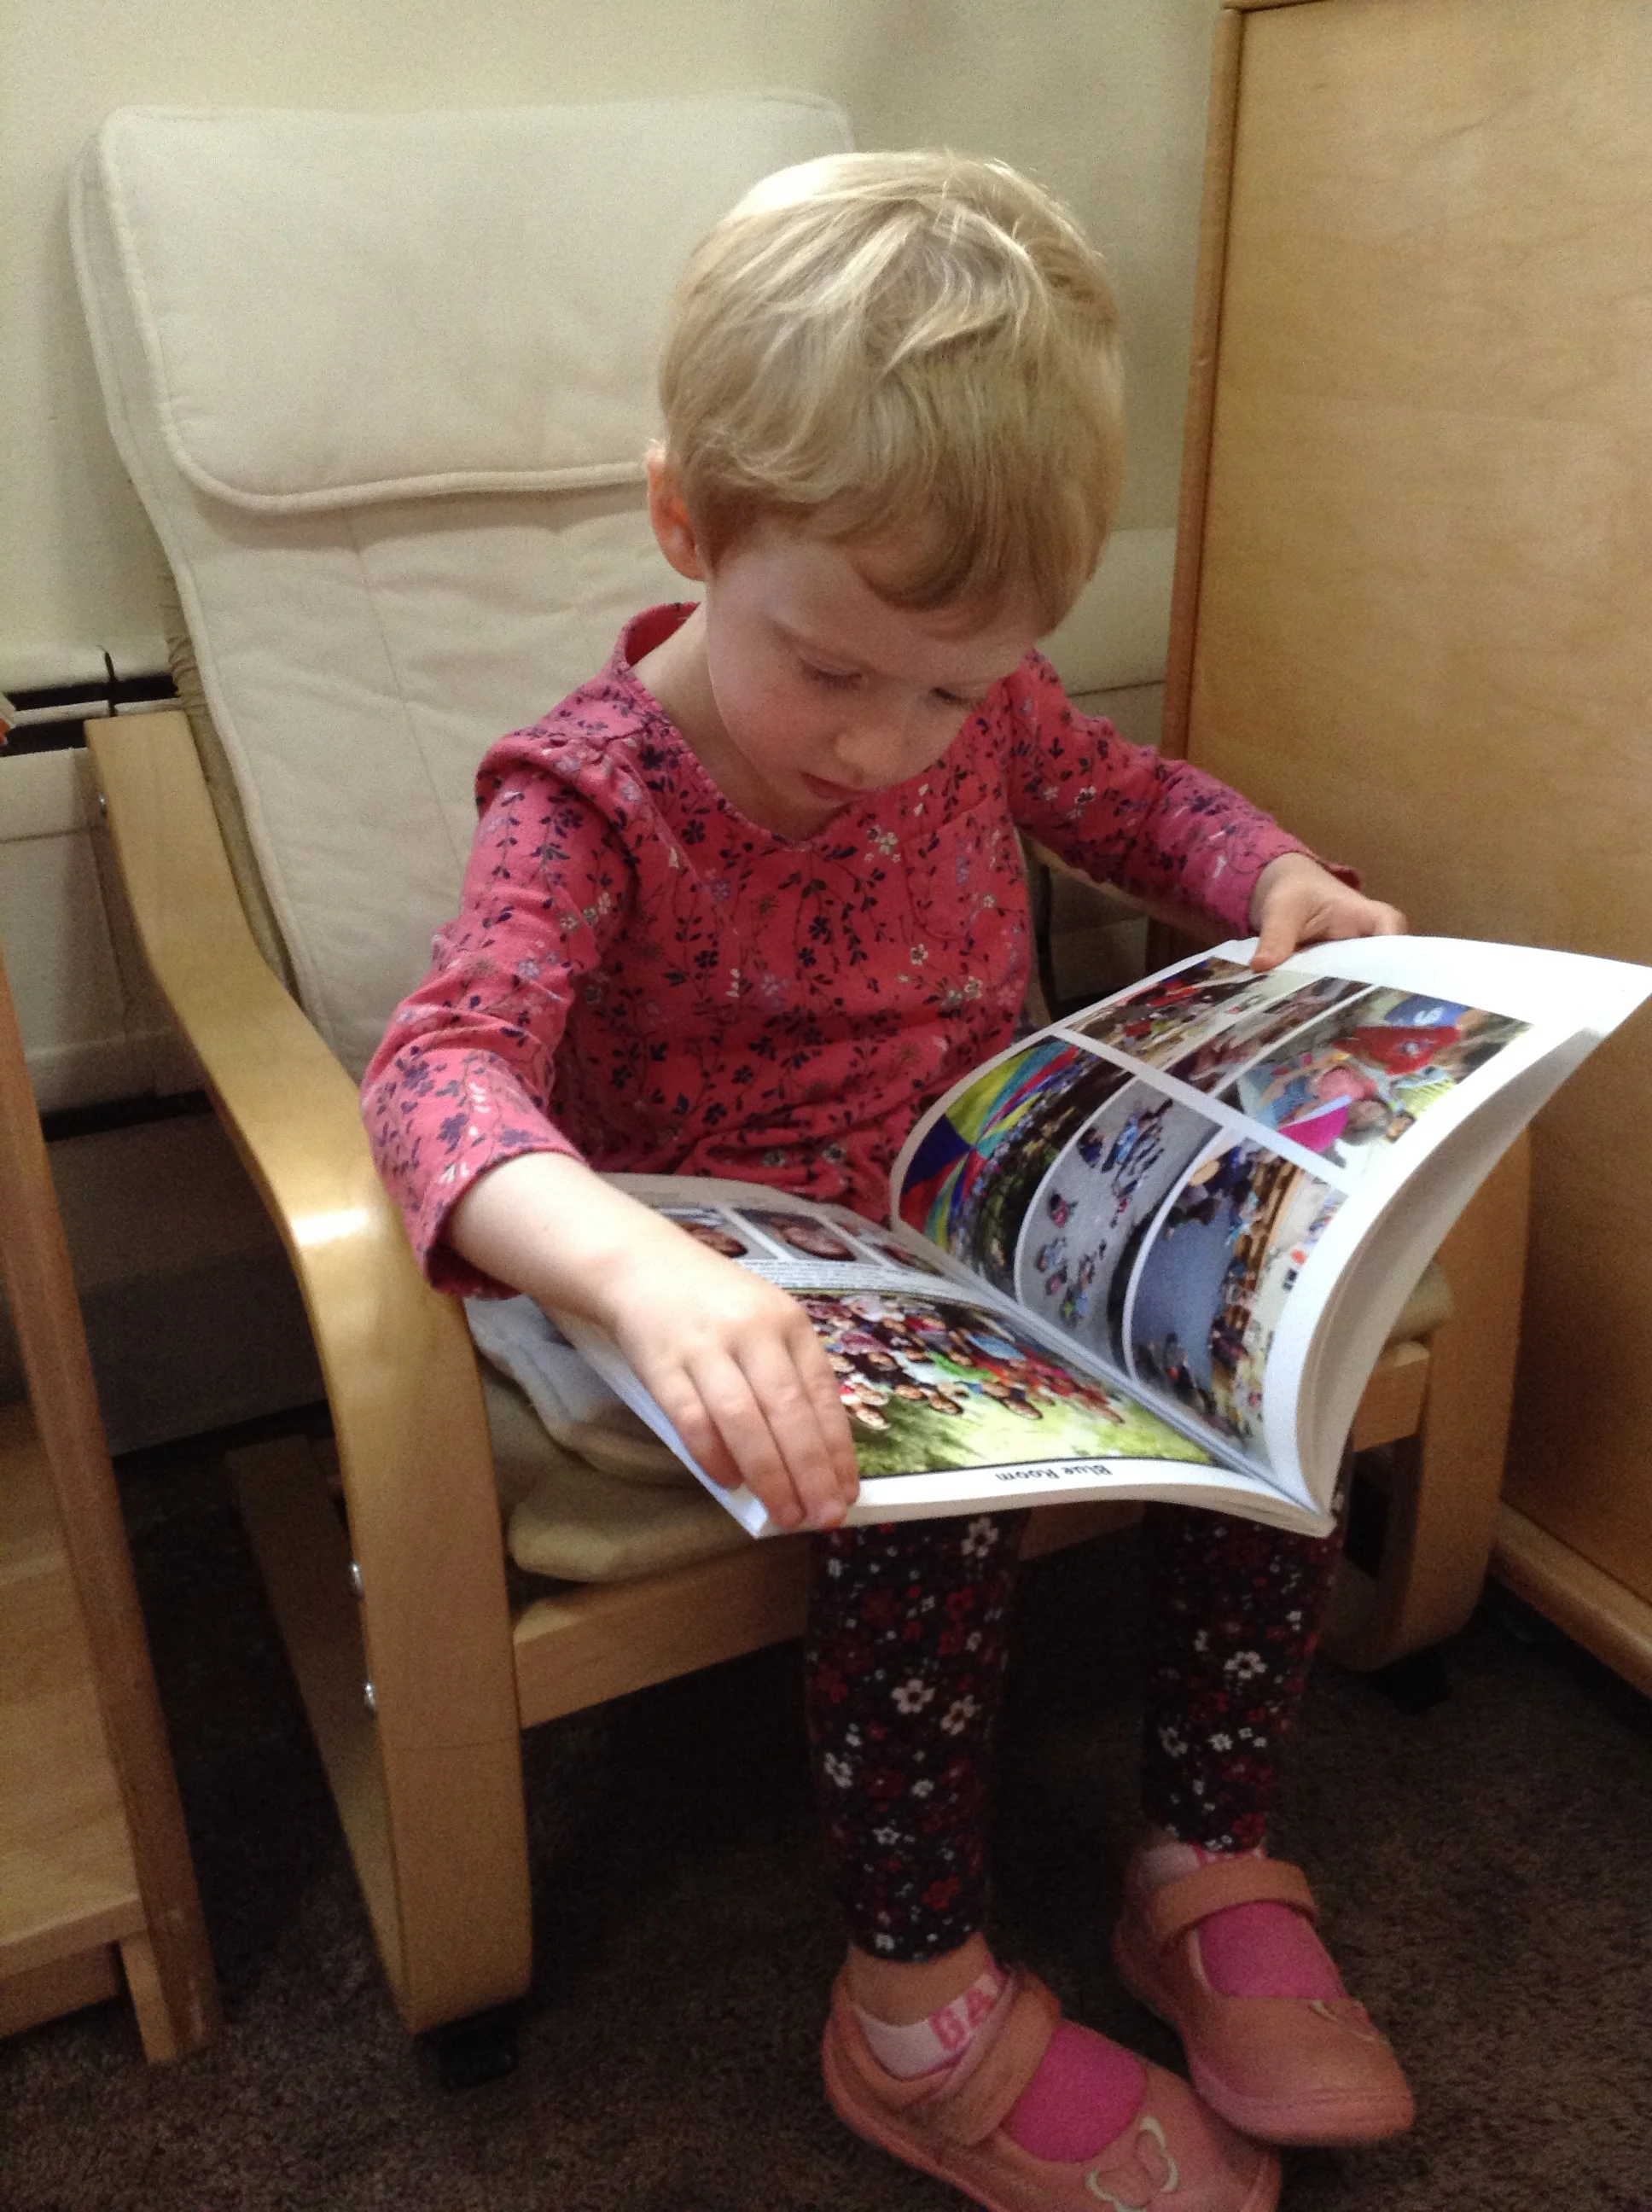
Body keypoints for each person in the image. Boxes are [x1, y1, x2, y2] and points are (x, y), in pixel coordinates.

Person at [363, 152, 1412, 2212]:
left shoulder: (977, 713)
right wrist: (645, 1276)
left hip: (973, 1220)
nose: (887, 746)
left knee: (1256, 1346)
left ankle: (1199, 1856)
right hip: (713, 1283)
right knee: (922, 1503)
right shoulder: (585, 792)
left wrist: (1271, 878)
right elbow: (438, 1073)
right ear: (687, 525)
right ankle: (906, 1999)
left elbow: (1141, 797)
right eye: (830, 670)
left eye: (949, 687)